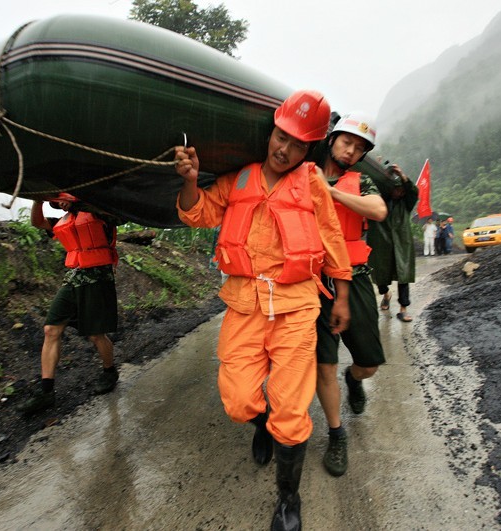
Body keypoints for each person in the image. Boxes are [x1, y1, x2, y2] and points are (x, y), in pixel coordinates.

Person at [174, 90, 352, 531]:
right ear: (270, 131)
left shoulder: (312, 182)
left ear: (309, 149)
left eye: (297, 144)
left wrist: (342, 296)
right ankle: (261, 424)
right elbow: (197, 214)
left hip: (295, 307)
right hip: (244, 304)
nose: (284, 149)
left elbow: (331, 236)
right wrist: (190, 180)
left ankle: (288, 500)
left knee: (292, 411)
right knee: (238, 401)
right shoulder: (238, 179)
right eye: (280, 136)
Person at [313, 112, 388, 477]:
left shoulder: (362, 182)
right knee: (323, 363)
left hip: (355, 279)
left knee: (369, 364)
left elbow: (379, 210)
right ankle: (336, 433)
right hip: (314, 283)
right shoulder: (304, 173)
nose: (350, 151)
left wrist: (331, 192)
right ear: (332, 139)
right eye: (346, 142)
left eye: (359, 149)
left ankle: (354, 379)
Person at [16, 193, 120, 414]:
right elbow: (37, 222)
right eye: (57, 201)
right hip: (74, 278)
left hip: (98, 278)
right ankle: (46, 393)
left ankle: (109, 371)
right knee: (51, 329)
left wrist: (78, 201)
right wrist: (37, 200)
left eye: (63, 199)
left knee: (96, 335)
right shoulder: (61, 221)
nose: (60, 204)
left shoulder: (99, 212)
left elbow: (117, 214)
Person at [367, 165, 419, 323]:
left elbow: (414, 191)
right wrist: (386, 174)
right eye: (396, 189)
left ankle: (403, 309)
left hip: (402, 244)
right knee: (380, 275)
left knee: (403, 276)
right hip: (381, 244)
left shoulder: (406, 203)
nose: (399, 192)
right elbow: (376, 184)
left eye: (402, 190)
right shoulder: (378, 201)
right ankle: (386, 294)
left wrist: (402, 175)